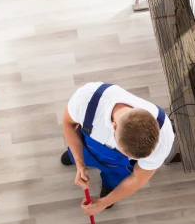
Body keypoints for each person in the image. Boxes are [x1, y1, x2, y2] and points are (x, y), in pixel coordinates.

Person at [61, 82, 174, 216]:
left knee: (115, 180)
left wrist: (104, 202)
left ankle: (108, 187)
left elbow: (136, 178)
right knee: (77, 154)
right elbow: (68, 123)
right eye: (125, 153)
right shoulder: (86, 99)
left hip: (118, 167)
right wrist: (80, 163)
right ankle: (77, 157)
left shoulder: (164, 138)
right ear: (114, 126)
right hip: (88, 148)